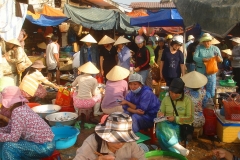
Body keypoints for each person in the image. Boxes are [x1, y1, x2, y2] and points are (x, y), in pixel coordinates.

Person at [0, 86, 55, 159]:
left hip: (44, 147)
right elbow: (12, 127)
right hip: (42, 143)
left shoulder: (17, 111)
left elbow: (14, 138)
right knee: (4, 142)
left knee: (8, 147)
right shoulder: (21, 107)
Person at [73, 112, 145, 160]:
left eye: (123, 140)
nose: (120, 144)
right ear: (105, 135)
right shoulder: (92, 142)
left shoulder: (130, 143)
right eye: (116, 139)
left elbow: (141, 157)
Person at [156, 78, 194, 156]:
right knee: (161, 125)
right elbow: (160, 111)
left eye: (176, 93)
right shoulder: (166, 99)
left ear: (181, 92)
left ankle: (173, 152)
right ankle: (177, 150)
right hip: (167, 125)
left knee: (161, 134)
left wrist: (175, 119)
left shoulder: (187, 100)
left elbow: (190, 118)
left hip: (181, 126)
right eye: (171, 92)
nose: (173, 95)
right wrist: (160, 114)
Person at [193, 33, 223, 97]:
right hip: (201, 71)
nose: (207, 43)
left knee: (211, 90)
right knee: (200, 89)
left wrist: (218, 58)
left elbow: (221, 60)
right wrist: (202, 59)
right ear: (202, 42)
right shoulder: (199, 48)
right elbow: (194, 58)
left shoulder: (215, 48)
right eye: (205, 42)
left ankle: (209, 102)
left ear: (211, 41)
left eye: (208, 41)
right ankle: (200, 103)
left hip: (211, 72)